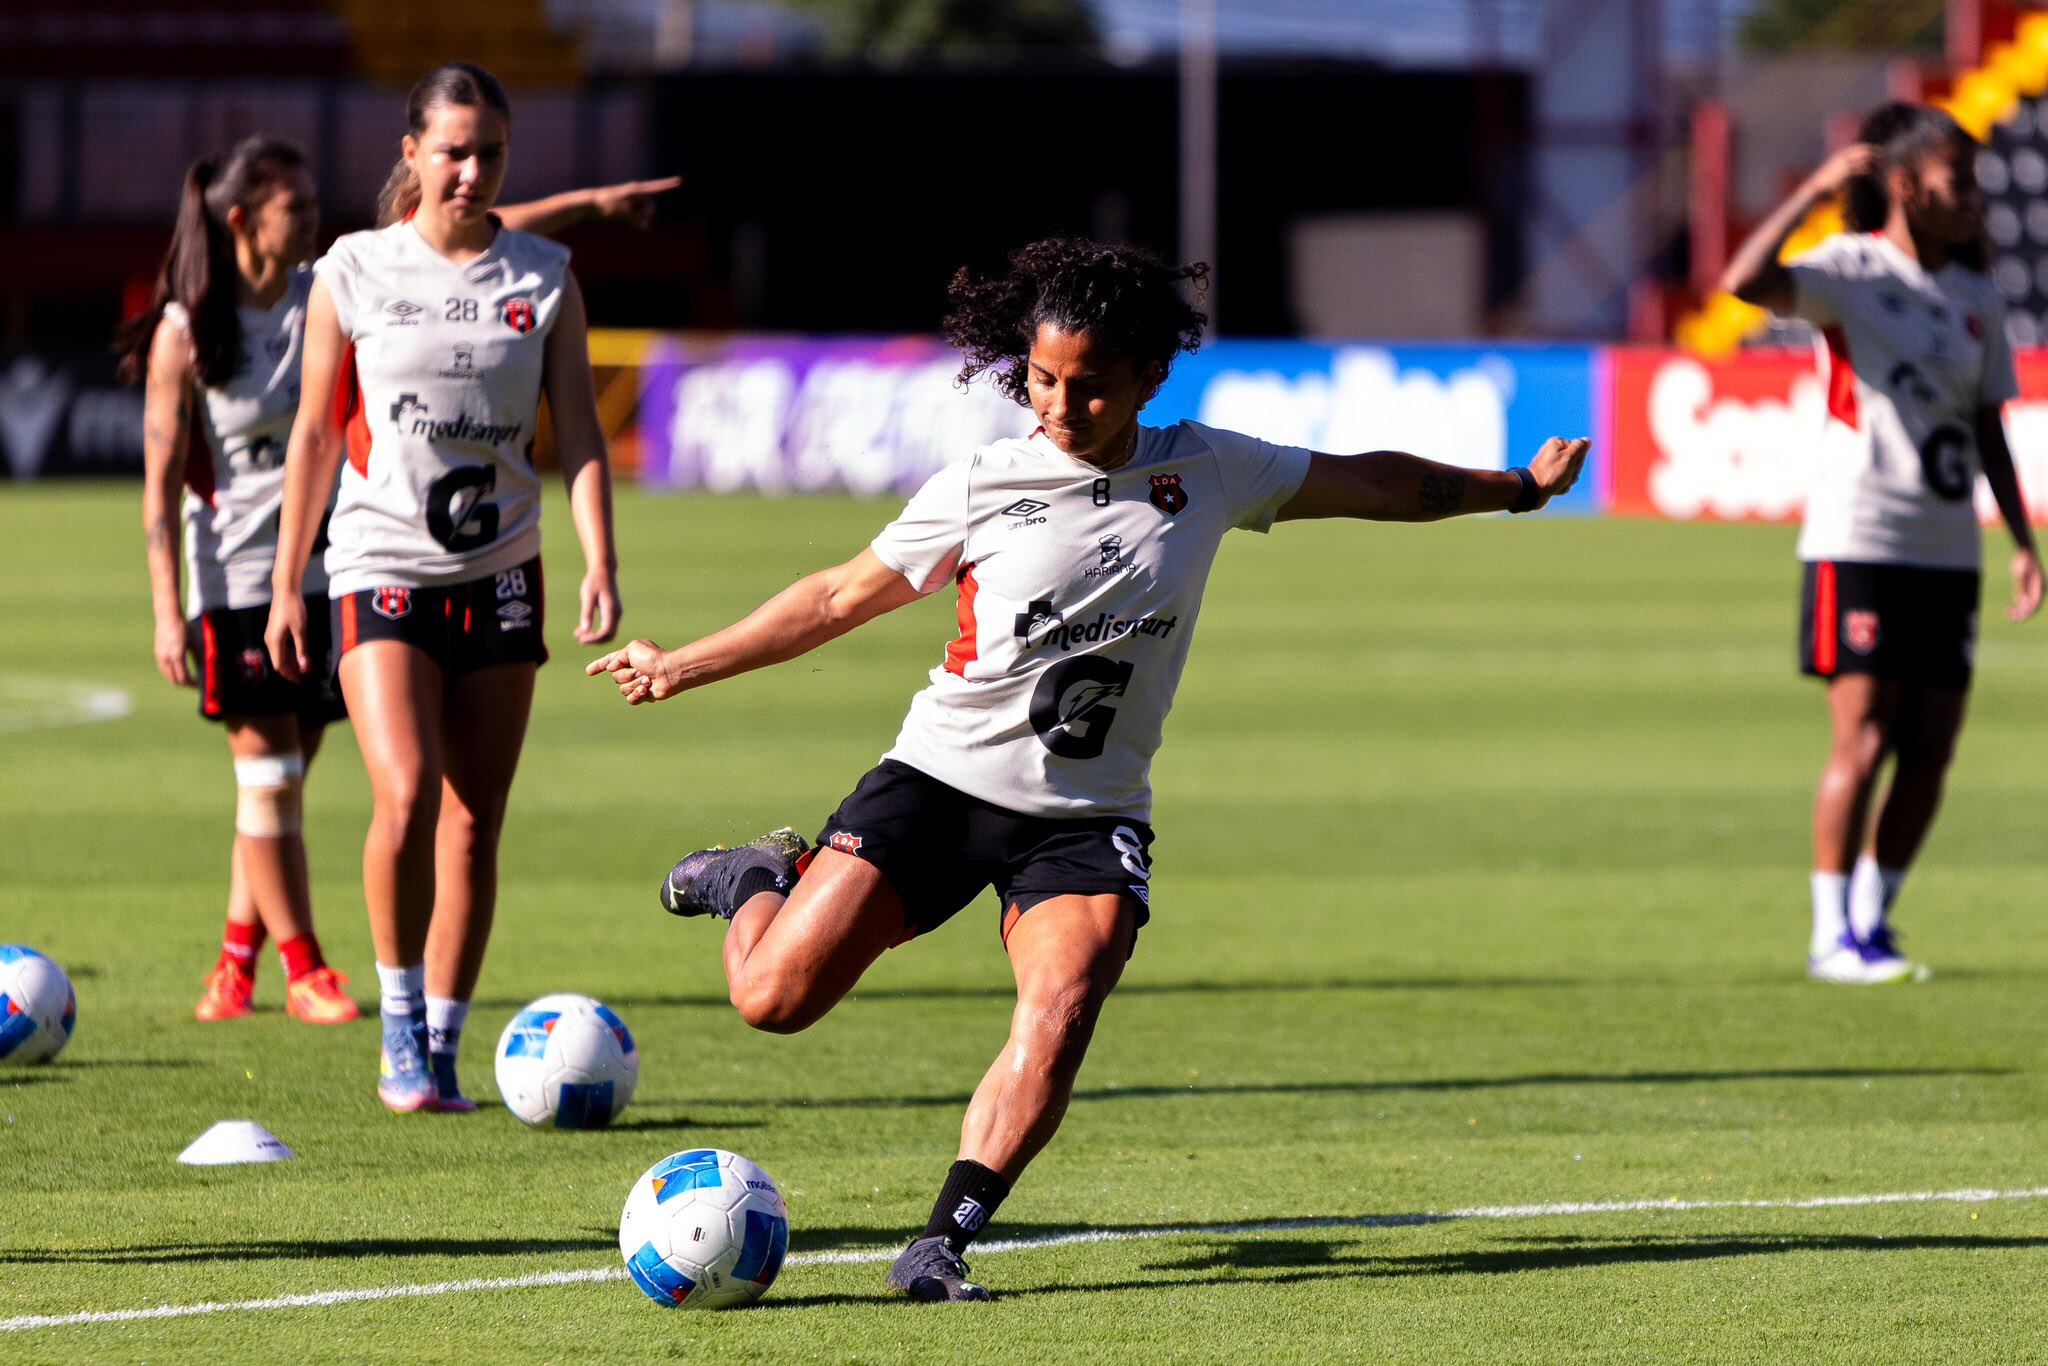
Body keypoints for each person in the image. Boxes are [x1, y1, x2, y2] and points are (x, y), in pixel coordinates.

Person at [589, 237, 1589, 1300]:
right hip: (935, 784)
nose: (1061, 407)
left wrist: (1515, 489)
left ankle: (939, 1243)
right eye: (1043, 380)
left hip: (1083, 816)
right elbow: (838, 598)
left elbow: (1375, 484)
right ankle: (751, 876)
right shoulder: (982, 481)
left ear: (1150, 376)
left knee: (1061, 1008)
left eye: (1091, 386)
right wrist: (680, 664)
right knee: (770, 1000)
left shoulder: (1207, 468)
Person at [121, 130, 674, 1027]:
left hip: (336, 560)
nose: (312, 217)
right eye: (293, 206)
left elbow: (470, 237)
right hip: (236, 580)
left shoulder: (336, 285)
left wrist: (590, 205)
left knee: (287, 771)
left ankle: (235, 956)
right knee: (267, 773)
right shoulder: (190, 329)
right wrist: (163, 610)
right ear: (240, 221)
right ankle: (304, 969)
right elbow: (156, 491)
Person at [266, 62, 621, 1113]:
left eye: (490, 153)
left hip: (502, 570)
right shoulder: (353, 269)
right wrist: (290, 581)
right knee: (406, 789)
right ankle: (398, 1027)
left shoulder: (544, 274)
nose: (471, 171)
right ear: (411, 153)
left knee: (475, 819)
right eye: (453, 150)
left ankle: (447, 1043)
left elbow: (583, 431)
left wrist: (600, 555)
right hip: (377, 566)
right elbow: (318, 431)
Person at [1721, 102, 2041, 985]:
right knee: (1863, 740)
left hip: (1947, 548)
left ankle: (1874, 919)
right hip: (1859, 536)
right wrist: (1818, 193)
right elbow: (1742, 280)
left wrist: (2020, 539)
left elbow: (1987, 430)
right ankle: (1830, 937)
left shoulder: (1976, 297)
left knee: (1932, 748)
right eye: (1958, 182)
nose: (1975, 199)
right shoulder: (1848, 270)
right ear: (1905, 186)